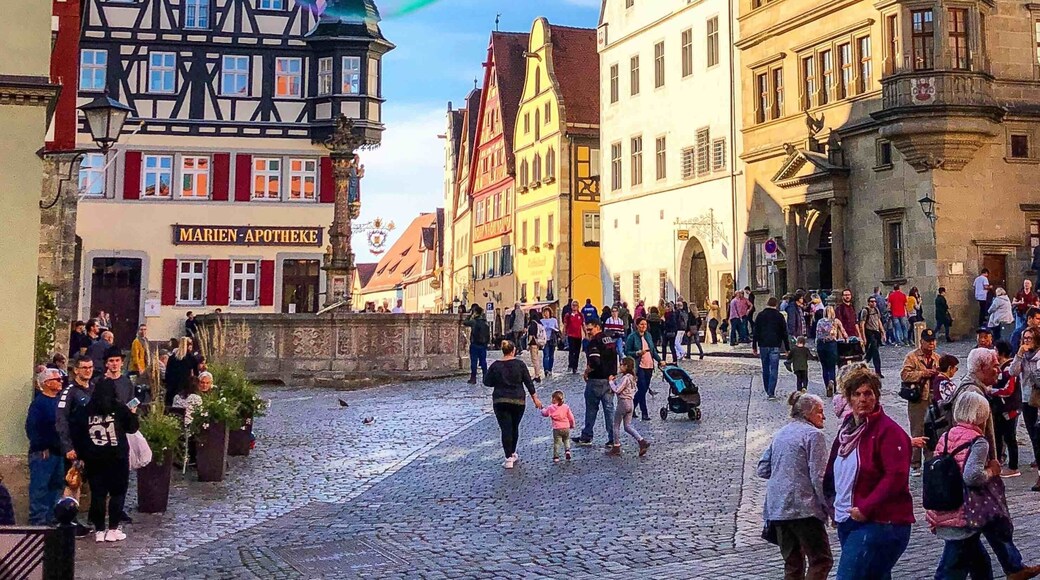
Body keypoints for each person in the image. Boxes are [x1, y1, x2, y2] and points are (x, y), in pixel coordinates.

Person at [926, 391, 1040, 580]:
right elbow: (972, 476)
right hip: (967, 510)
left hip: (946, 503)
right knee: (951, 567)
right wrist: (992, 471)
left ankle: (1010, 569)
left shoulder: (947, 436)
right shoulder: (978, 442)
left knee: (979, 562)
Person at [823, 368, 913, 580]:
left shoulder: (888, 432)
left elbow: (896, 476)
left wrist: (866, 507)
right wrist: (832, 503)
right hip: (849, 519)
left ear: (876, 396)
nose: (863, 399)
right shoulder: (846, 432)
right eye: (857, 394)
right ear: (848, 398)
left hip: (881, 522)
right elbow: (833, 471)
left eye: (868, 393)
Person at [758, 391, 832, 580]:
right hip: (803, 509)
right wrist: (830, 508)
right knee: (821, 560)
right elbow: (819, 477)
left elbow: (763, 468)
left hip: (778, 509)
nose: (823, 416)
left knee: (793, 564)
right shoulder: (814, 435)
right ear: (808, 413)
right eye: (820, 412)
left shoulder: (781, 433)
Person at [69, 378, 138, 543]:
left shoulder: (85, 410)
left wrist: (82, 455)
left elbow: (77, 433)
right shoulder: (119, 408)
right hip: (117, 458)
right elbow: (132, 427)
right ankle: (113, 529)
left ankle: (99, 530)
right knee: (118, 493)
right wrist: (133, 413)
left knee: (98, 494)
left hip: (94, 458)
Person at [484, 341, 541, 469]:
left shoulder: (495, 366)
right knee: (514, 427)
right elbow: (528, 382)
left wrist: (498, 381)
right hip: (518, 400)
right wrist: (535, 399)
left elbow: (487, 382)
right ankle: (513, 452)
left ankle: (508, 457)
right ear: (513, 350)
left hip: (500, 400)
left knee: (505, 428)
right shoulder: (520, 365)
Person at [26, 368, 66, 526]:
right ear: (46, 383)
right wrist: (41, 446)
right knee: (40, 488)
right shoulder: (39, 403)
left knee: (56, 486)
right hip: (44, 453)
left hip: (58, 451)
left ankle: (51, 519)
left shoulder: (59, 401)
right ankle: (38, 523)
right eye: (57, 379)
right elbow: (32, 427)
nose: (60, 382)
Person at [901, 328, 941, 476]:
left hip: (933, 398)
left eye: (933, 341)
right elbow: (905, 375)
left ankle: (930, 460)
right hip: (918, 399)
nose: (931, 344)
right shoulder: (912, 357)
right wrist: (923, 373)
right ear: (921, 342)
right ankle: (915, 464)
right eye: (928, 341)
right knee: (917, 430)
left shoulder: (937, 358)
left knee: (932, 430)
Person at [573, 319, 618, 447]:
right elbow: (615, 357)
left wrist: (587, 371)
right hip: (609, 380)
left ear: (598, 327)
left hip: (596, 380)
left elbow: (595, 361)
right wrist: (613, 373)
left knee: (591, 409)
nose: (589, 333)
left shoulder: (594, 342)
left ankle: (587, 436)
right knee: (609, 410)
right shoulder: (609, 340)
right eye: (587, 330)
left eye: (590, 329)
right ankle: (613, 438)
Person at [1010, 327, 1040, 491]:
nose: (1027, 341)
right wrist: (1019, 354)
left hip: (1039, 400)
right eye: (1025, 338)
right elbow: (1012, 372)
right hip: (1027, 400)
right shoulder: (1023, 356)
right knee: (1034, 438)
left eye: (1030, 338)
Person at [990, 341, 1021, 478]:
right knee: (997, 436)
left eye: (996, 350)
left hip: (1009, 408)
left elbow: (1009, 390)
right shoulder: (1001, 367)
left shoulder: (1009, 368)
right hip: (1000, 408)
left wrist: (992, 391)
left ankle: (1013, 466)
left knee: (1010, 438)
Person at [608, 357, 650, 456]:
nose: (620, 366)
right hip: (630, 403)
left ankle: (616, 446)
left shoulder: (626, 378)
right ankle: (641, 441)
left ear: (626, 366)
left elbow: (618, 390)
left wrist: (611, 382)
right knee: (627, 426)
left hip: (623, 402)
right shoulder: (633, 378)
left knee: (616, 425)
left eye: (621, 364)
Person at [625, 317, 665, 421]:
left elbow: (653, 350)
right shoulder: (632, 337)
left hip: (649, 365)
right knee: (642, 388)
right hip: (639, 366)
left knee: (644, 389)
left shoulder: (648, 335)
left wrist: (660, 360)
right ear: (637, 325)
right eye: (641, 324)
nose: (644, 326)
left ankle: (631, 407)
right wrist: (637, 353)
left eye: (645, 325)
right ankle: (644, 413)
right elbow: (627, 352)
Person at [753, 297, 791, 401]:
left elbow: (756, 332)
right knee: (774, 368)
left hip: (763, 345)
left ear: (767, 303)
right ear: (776, 305)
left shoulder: (760, 315)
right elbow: (784, 333)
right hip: (775, 345)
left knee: (765, 368)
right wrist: (787, 349)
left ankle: (767, 389)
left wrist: (754, 346)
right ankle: (771, 391)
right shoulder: (779, 316)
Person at [816, 306, 848, 398]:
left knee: (824, 367)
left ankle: (827, 386)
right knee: (831, 366)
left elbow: (817, 335)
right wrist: (846, 339)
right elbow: (843, 332)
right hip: (831, 344)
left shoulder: (820, 322)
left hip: (820, 345)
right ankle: (832, 384)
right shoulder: (835, 321)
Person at [540, 390, 575, 463]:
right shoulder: (566, 407)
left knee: (557, 443)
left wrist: (541, 408)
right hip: (566, 427)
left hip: (557, 428)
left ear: (554, 399)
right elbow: (571, 417)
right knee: (566, 439)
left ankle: (556, 456)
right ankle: (567, 451)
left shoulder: (551, 408)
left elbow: (545, 413)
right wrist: (572, 424)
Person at [164, 337, 199, 406]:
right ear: (189, 346)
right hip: (186, 387)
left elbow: (167, 373)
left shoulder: (172, 358)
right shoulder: (191, 358)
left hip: (172, 387)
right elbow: (196, 374)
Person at [462, 305, 490, 385]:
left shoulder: (474, 321)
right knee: (483, 361)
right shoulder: (485, 322)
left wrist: (470, 315)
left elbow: (465, 322)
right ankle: (485, 378)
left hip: (475, 344)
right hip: (483, 345)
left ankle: (473, 378)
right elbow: (488, 335)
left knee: (474, 362)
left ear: (475, 313)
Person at [859, 296, 885, 377]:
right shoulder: (865, 311)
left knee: (871, 351)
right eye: (871, 301)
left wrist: (882, 332)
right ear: (868, 302)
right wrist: (863, 337)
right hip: (869, 332)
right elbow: (862, 324)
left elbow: (878, 321)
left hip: (876, 332)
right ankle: (878, 371)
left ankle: (863, 363)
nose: (873, 303)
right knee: (875, 352)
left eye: (874, 301)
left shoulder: (876, 310)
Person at [563, 302, 584, 374]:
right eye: (573, 305)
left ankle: (575, 367)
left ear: (578, 306)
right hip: (571, 335)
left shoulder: (581, 315)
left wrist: (586, 334)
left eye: (576, 305)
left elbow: (583, 325)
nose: (574, 307)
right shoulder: (568, 315)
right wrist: (564, 334)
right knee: (571, 351)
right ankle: (570, 365)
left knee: (577, 352)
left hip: (578, 336)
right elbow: (565, 325)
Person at [539, 306, 559, 378]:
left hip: (552, 339)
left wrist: (553, 328)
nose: (546, 314)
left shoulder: (554, 320)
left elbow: (557, 328)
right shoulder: (541, 321)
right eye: (545, 312)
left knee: (551, 355)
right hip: (544, 340)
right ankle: (546, 370)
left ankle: (550, 369)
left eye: (547, 312)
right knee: (546, 355)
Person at [525, 308, 544, 382]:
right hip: (537, 343)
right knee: (536, 359)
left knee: (535, 359)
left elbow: (531, 335)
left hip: (533, 343)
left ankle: (537, 375)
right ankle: (537, 374)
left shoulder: (532, 323)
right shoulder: (538, 323)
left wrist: (528, 344)